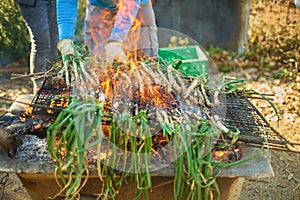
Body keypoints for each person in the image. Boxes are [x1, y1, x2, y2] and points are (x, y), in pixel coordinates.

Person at [56, 0, 158, 64]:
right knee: (98, 66)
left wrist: (115, 40)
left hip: (136, 8)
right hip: (99, 8)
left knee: (147, 63)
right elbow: (66, 2)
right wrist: (65, 38)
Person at [17, 0, 59, 93]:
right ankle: (39, 86)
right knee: (42, 43)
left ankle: (53, 83)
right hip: (32, 2)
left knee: (54, 41)